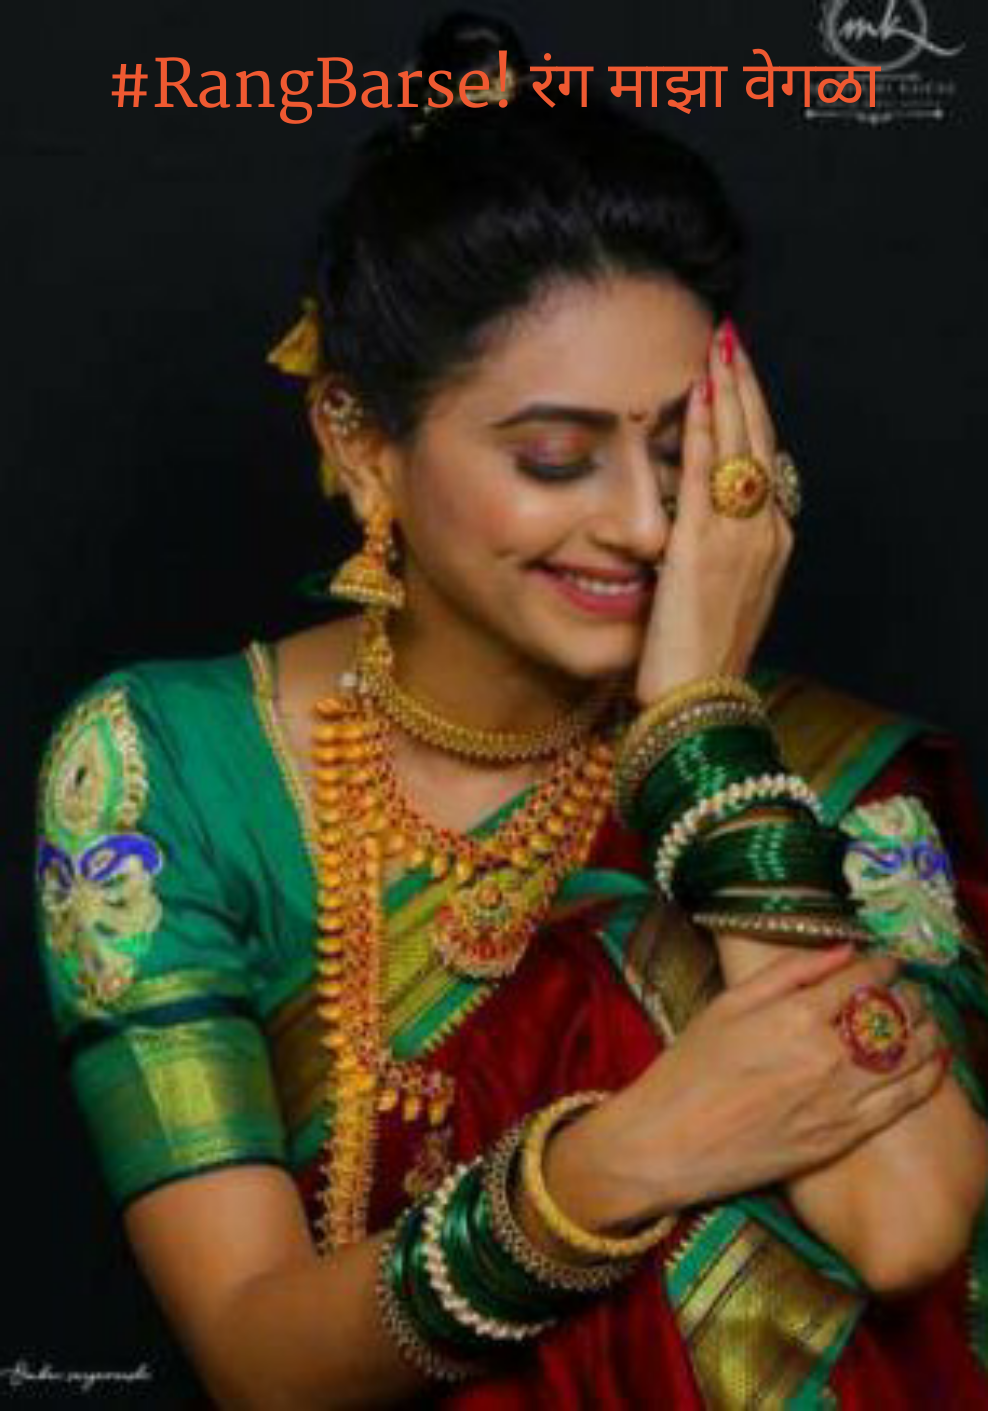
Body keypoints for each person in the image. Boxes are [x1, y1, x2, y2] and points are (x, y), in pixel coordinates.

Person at [34, 12, 988, 1409]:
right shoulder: (163, 765)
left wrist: (700, 725)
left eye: (683, 453)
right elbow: (254, 1353)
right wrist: (619, 1162)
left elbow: (904, 1226)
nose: (645, 523)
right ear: (363, 443)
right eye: (555, 458)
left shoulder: (820, 767)